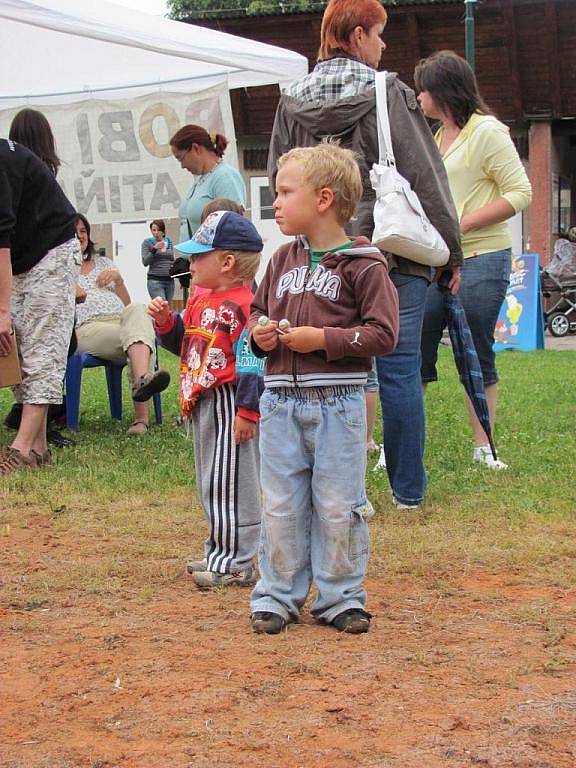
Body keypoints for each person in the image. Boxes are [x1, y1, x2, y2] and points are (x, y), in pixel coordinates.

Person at [267, 0, 463, 510]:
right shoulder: (388, 91)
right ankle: (407, 493)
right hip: (390, 250)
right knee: (398, 370)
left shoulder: (291, 100)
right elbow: (425, 172)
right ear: (356, 36)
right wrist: (451, 251)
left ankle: (337, 489)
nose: (383, 46)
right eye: (379, 35)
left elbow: (280, 178)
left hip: (319, 259)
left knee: (329, 373)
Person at [249, 143, 399, 635]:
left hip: (338, 404)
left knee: (338, 503)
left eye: (285, 192)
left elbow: (383, 334)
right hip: (279, 404)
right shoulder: (278, 261)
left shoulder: (365, 264)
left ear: (323, 199)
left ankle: (340, 597)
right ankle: (276, 595)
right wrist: (261, 333)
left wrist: (325, 340)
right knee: (281, 503)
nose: (276, 202)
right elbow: (256, 313)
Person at [414, 51, 532, 470]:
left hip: (483, 256)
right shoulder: (431, 136)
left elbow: (520, 193)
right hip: (432, 261)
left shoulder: (488, 132)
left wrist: (461, 224)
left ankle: (483, 447)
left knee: (475, 351)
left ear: (443, 91)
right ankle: (403, 445)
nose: (418, 95)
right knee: (413, 349)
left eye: (424, 88)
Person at [148, 210, 264, 588]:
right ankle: (220, 550)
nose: (190, 262)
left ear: (227, 263)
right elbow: (186, 345)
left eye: (199, 256)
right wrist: (167, 324)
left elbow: (252, 361)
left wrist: (247, 410)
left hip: (229, 399)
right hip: (203, 402)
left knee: (232, 480)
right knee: (212, 479)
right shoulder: (201, 300)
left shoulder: (244, 305)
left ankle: (238, 560)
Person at [0, 138, 80, 474]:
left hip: (53, 250)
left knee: (44, 346)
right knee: (21, 347)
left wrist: (3, 312)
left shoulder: (1, 161)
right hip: (23, 258)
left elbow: (0, 239)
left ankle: (20, 449)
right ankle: (39, 448)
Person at [75, 214, 170, 436]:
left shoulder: (104, 263)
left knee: (137, 310)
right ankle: (142, 416)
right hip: (87, 327)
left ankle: (142, 384)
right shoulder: (61, 269)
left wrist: (118, 280)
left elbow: (126, 303)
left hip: (119, 321)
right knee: (140, 338)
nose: (80, 236)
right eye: (74, 232)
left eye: (83, 231)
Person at [170, 125, 246, 243]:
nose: (182, 165)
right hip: (192, 259)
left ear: (196, 148)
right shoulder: (201, 180)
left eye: (181, 158)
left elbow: (233, 227)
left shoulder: (225, 177)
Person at [141, 219, 174, 302]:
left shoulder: (168, 241)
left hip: (169, 280)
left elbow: (171, 258)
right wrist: (154, 249)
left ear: (163, 231)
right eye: (153, 230)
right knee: (162, 306)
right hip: (155, 280)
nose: (156, 232)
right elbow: (145, 262)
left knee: (167, 310)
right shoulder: (147, 242)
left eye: (158, 230)